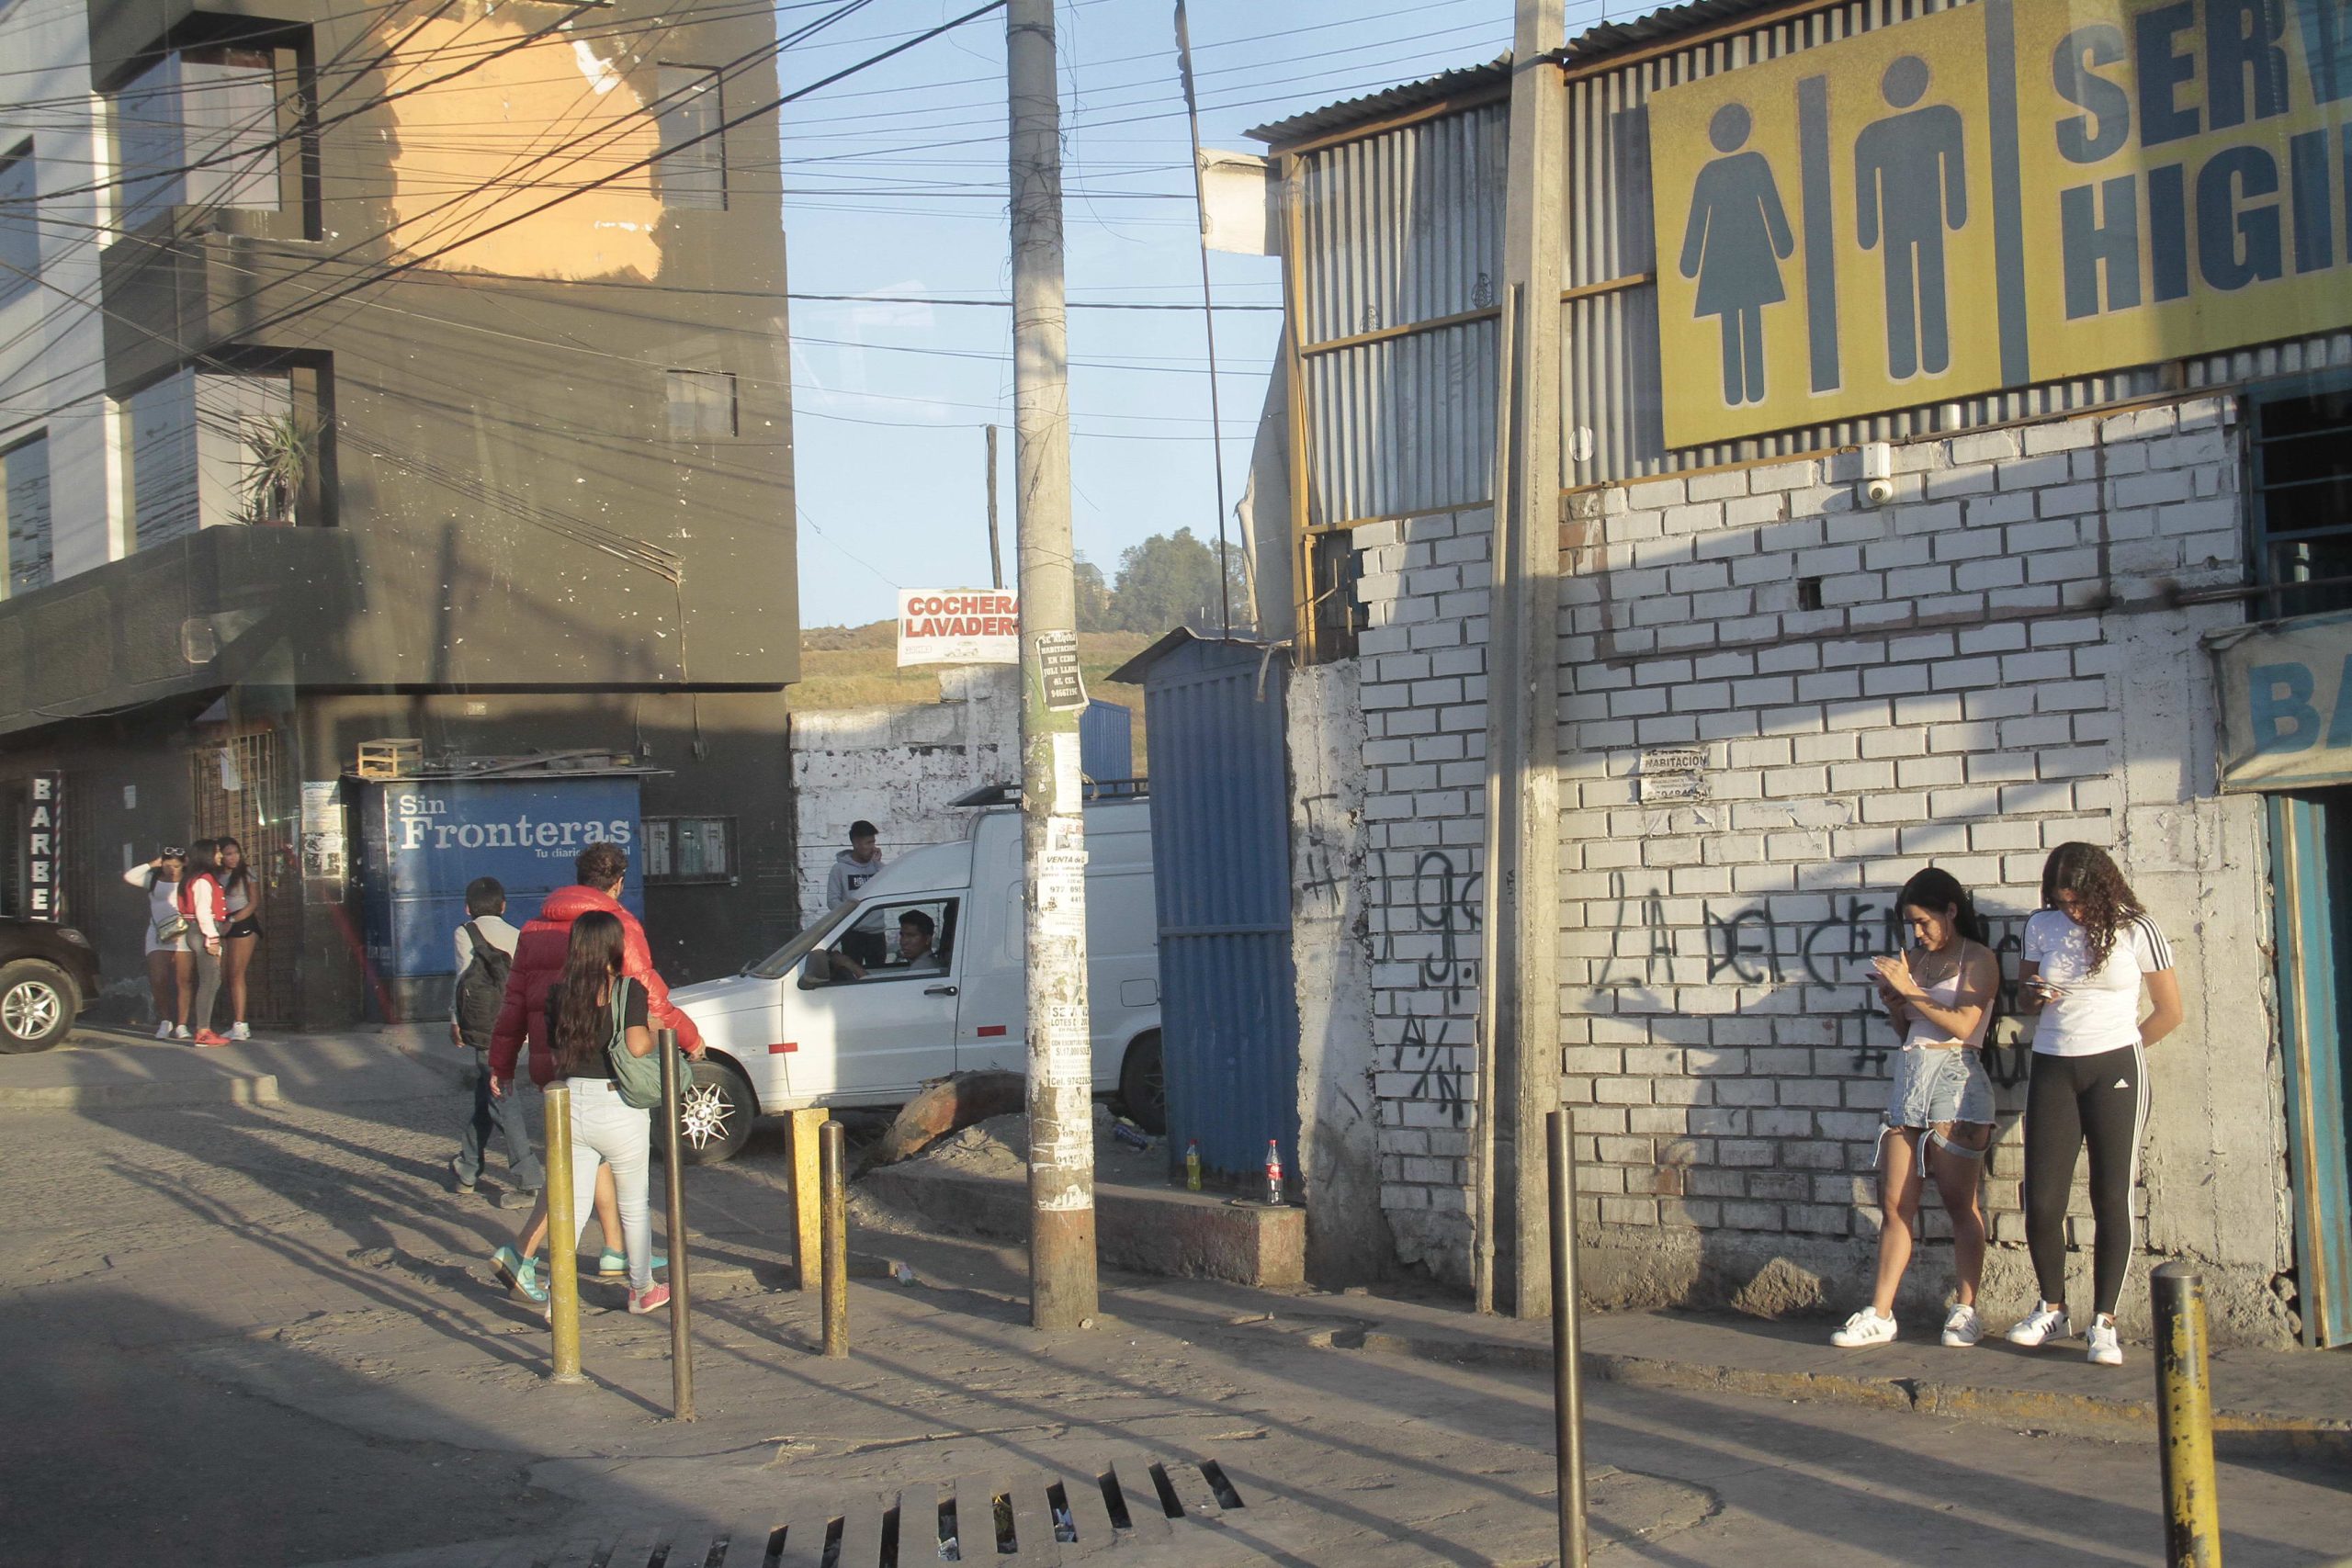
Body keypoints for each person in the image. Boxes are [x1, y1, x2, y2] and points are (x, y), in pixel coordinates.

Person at [487, 842, 702, 1302]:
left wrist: (501, 1063)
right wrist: (689, 1037)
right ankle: (522, 1253)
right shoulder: (619, 926)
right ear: (618, 882)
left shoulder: (533, 927)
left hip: (561, 1064)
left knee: (579, 1169)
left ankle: (611, 1251)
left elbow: (514, 1001)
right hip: (609, 1068)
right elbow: (649, 996)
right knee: (604, 1180)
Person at [2009, 842, 2183, 1368]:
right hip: (2053, 1065)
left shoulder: (2137, 927)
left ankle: (2103, 1321)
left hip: (2115, 1067)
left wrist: (2122, 1051)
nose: (2072, 912)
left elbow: (2169, 1011)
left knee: (2110, 1196)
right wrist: (2035, 997)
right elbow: (2023, 996)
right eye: (2063, 902)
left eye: (2080, 902)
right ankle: (2052, 1306)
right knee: (2042, 1200)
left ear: (2102, 890)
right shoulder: (2041, 925)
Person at [1830, 867, 1999, 1349]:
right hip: (1909, 1078)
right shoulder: (1917, 964)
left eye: (1925, 921)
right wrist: (1893, 1002)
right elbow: (1911, 1032)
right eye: (1912, 925)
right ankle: (1881, 1312)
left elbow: (1965, 1025)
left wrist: (1909, 990)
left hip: (1956, 1079)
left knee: (1957, 1203)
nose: (1919, 933)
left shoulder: (1979, 959)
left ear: (1951, 911)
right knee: (1895, 1204)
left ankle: (1966, 1309)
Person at [520, 911, 678, 1314]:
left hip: (570, 1102)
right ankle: (642, 1290)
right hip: (617, 1103)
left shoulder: (559, 993)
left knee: (569, 1207)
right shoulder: (629, 989)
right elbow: (638, 1046)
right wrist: (658, 1027)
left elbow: (556, 1051)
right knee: (633, 1204)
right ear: (614, 946)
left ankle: (560, 1300)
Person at [447, 877, 542, 1210]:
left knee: (503, 1100)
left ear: (467, 907)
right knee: (486, 1096)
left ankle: (530, 1179)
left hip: (485, 1030)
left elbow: (462, 980)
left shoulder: (465, 932)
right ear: (504, 906)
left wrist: (456, 1021)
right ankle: (468, 1168)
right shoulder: (519, 936)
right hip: (516, 1026)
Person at [124, 847, 191, 1039]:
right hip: (158, 933)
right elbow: (130, 876)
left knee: (183, 980)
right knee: (158, 978)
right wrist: (152, 864)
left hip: (183, 933)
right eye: (168, 865)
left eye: (176, 866)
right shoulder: (153, 879)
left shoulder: (189, 880)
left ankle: (182, 1024)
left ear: (184, 863)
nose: (172, 869)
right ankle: (165, 1020)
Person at [178, 840, 231, 1046]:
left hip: (201, 931)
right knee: (210, 980)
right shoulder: (203, 880)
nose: (220, 856)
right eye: (217, 853)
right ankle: (203, 1030)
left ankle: (204, 1028)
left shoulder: (198, 878)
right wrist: (212, 938)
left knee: (212, 979)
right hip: (203, 931)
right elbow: (203, 911)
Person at [216, 837, 260, 1042]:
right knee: (224, 974)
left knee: (236, 973)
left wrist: (232, 920)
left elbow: (253, 903)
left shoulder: (246, 872)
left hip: (242, 922)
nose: (233, 858)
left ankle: (241, 1024)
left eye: (236, 853)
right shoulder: (214, 875)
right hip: (221, 925)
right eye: (228, 854)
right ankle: (234, 1021)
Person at [833, 908, 942, 981]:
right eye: (902, 935)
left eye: (911, 936)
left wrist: (849, 964)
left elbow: (879, 990)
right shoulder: (920, 963)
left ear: (927, 939)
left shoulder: (924, 968)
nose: (903, 941)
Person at [826, 819, 885, 906]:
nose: (873, 848)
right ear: (856, 843)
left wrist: (878, 865)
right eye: (868, 843)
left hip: (877, 919)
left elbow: (890, 890)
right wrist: (853, 913)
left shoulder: (878, 867)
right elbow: (832, 901)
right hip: (854, 918)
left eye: (873, 842)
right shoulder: (839, 869)